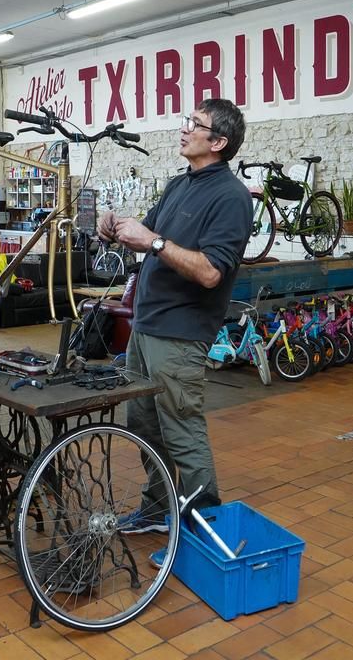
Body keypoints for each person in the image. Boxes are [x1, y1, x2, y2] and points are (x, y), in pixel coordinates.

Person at [97, 98, 252, 532]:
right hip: (146, 327)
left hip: (180, 334)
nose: (184, 129)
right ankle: (158, 509)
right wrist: (116, 228)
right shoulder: (179, 185)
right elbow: (148, 235)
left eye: (195, 124)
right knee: (145, 425)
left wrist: (154, 242)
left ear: (218, 142)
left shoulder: (232, 197)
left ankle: (206, 527)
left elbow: (211, 272)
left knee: (182, 431)